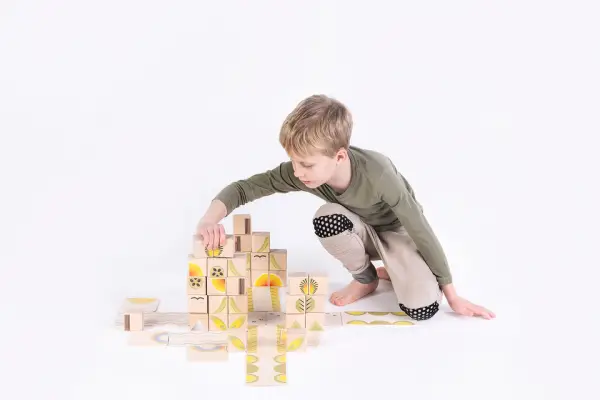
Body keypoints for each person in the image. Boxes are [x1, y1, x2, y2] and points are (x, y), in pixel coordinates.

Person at [195, 94, 495, 321]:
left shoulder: (378, 173)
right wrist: (209, 220)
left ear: (339, 156)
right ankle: (367, 280)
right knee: (327, 217)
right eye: (295, 161)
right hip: (359, 231)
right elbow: (243, 188)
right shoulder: (302, 172)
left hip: (397, 232)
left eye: (306, 164)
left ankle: (397, 266)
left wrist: (452, 295)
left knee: (422, 309)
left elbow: (420, 228)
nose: (298, 172)